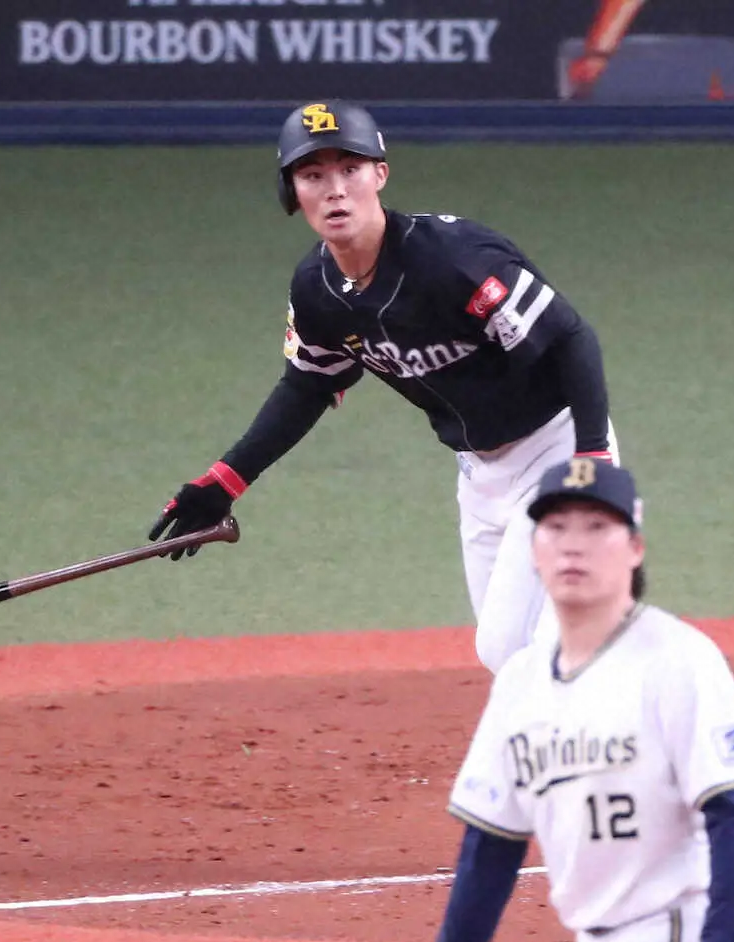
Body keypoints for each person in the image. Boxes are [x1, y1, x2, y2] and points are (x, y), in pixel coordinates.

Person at [147, 98, 619, 674]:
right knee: (503, 653)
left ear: (380, 175)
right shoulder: (318, 290)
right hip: (479, 474)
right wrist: (226, 480)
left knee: (545, 650)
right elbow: (307, 387)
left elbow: (569, 338)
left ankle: (643, 710)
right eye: (313, 175)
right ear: (291, 193)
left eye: (350, 169)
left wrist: (593, 459)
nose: (335, 190)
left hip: (557, 450)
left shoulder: (456, 260)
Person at [408, 458, 734, 942]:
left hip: (678, 937)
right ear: (532, 550)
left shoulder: (676, 660)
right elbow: (490, 850)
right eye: (556, 527)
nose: (573, 544)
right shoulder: (521, 683)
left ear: (634, 547)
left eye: (596, 527)